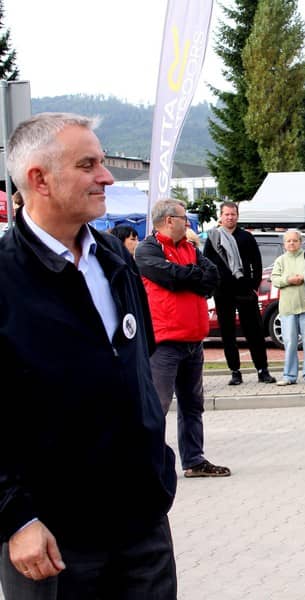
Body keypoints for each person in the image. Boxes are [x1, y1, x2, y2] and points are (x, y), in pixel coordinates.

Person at [0, 113, 177, 597]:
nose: (107, 177)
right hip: (52, 540)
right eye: (88, 165)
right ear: (39, 179)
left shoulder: (114, 258)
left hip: (141, 525)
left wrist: (157, 468)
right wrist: (15, 518)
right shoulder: (6, 278)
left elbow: (138, 363)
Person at [135, 198, 231, 479]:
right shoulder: (147, 250)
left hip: (193, 340)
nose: (187, 222)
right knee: (158, 406)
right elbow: (169, 277)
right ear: (168, 220)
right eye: (183, 218)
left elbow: (212, 276)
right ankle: (148, 465)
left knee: (192, 405)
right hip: (164, 342)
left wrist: (187, 277)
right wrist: (192, 277)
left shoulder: (190, 248)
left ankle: (194, 460)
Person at [203, 201, 276, 385]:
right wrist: (214, 286)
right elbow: (207, 264)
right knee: (227, 333)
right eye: (226, 214)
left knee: (254, 332)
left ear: (237, 216)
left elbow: (256, 263)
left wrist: (253, 285)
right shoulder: (213, 238)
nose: (230, 217)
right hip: (223, 293)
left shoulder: (246, 237)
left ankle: (262, 370)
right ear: (220, 216)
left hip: (245, 291)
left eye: (233, 214)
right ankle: (235, 371)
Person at [270, 229, 305, 386]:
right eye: (288, 241)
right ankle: (289, 376)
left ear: (300, 242)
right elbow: (275, 279)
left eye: (295, 240)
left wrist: (303, 278)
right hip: (288, 308)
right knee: (290, 343)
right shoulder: (280, 260)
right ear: (284, 243)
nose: (291, 243)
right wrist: (288, 280)